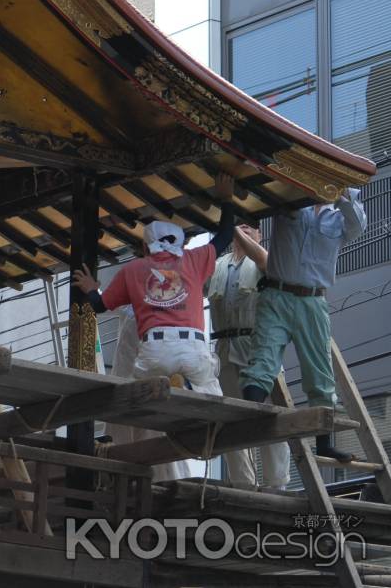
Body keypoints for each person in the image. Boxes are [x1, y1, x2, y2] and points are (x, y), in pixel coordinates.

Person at [72, 173, 235, 480]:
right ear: (180, 244)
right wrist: (226, 197)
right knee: (212, 394)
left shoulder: (133, 270)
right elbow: (225, 235)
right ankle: (207, 432)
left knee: (133, 397)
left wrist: (91, 287)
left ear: (146, 249)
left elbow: (98, 306)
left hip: (154, 352)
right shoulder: (194, 259)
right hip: (194, 348)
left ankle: (117, 438)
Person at [239, 188, 367, 462]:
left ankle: (324, 443)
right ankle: (246, 423)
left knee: (320, 373)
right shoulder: (289, 201)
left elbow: (358, 225)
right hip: (276, 294)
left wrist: (343, 192)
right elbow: (264, 198)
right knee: (262, 359)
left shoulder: (339, 217)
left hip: (313, 300)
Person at [208, 223, 290, 489]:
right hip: (225, 349)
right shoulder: (218, 265)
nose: (243, 229)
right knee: (231, 419)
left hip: (259, 348)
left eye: (250, 227)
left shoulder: (266, 259)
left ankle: (276, 483)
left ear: (259, 234)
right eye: (239, 224)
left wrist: (237, 233)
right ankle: (243, 483)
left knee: (270, 416)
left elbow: (265, 262)